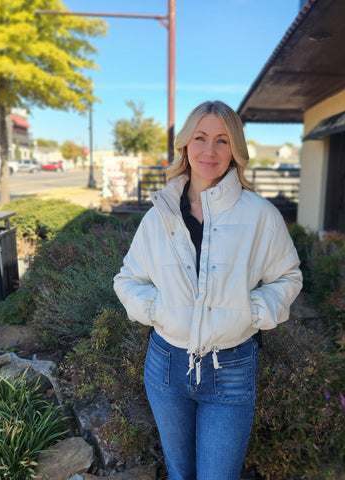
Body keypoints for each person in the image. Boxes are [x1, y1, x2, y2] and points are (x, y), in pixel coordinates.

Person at [113, 100, 302, 480]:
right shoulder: (160, 214)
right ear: (185, 144)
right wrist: (158, 309)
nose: (209, 150)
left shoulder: (260, 215)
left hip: (230, 367)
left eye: (222, 140)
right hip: (165, 365)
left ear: (235, 149)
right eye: (200, 137)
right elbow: (127, 279)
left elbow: (288, 278)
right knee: (181, 474)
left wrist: (250, 313)